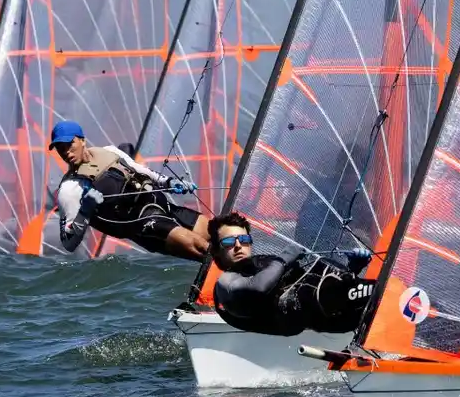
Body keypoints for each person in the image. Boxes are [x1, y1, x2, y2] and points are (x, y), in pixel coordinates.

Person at [50, 120, 210, 260]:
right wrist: (85, 210)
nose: (66, 152)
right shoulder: (70, 188)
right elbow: (68, 243)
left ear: (82, 140)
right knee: (203, 248)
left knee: (217, 231)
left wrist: (170, 182)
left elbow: (141, 171)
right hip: (144, 225)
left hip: (162, 205)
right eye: (60, 148)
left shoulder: (109, 151)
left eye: (69, 144)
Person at [207, 211, 375, 337]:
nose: (238, 246)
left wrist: (353, 268)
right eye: (229, 242)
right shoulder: (226, 282)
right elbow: (258, 288)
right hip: (312, 308)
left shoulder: (262, 265)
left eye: (243, 240)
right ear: (216, 250)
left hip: (328, 313)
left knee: (374, 296)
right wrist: (283, 259)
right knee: (374, 293)